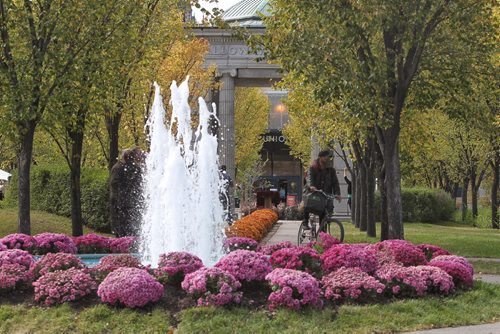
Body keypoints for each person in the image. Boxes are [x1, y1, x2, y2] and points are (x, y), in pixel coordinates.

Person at [109, 147, 145, 237]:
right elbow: (115, 184)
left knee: (128, 230)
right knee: (123, 229)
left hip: (127, 203)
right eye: (138, 155)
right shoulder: (120, 168)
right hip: (122, 203)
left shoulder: (135, 168)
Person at [302, 150, 341, 230]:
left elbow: (335, 183)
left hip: (325, 194)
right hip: (314, 192)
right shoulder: (313, 167)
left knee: (324, 214)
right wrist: (311, 186)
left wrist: (337, 194)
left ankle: (322, 234)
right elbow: (309, 178)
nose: (328, 158)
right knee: (308, 204)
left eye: (329, 157)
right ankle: (305, 222)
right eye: (326, 156)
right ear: (320, 157)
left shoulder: (331, 170)